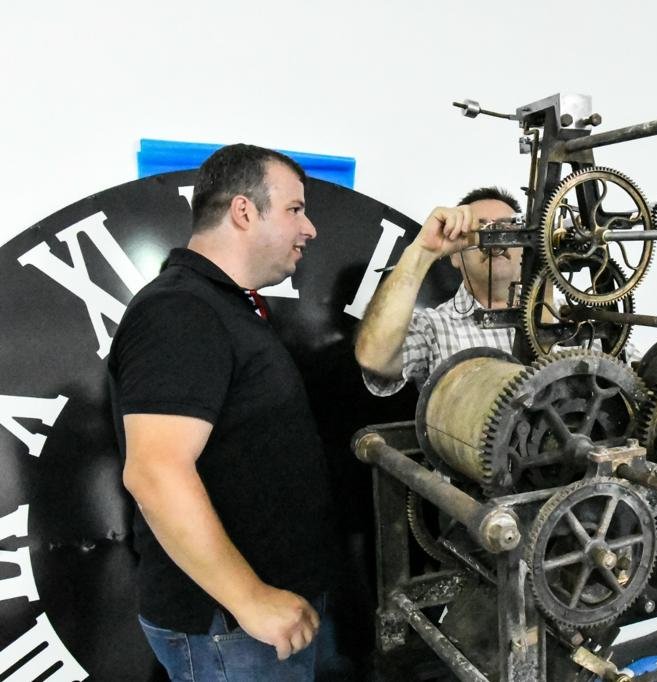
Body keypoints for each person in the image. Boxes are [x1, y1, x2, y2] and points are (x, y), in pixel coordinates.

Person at [109, 144, 345, 680]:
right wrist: (251, 599)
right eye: (294, 209)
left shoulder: (222, 305)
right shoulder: (180, 310)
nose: (309, 228)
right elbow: (155, 471)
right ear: (243, 211)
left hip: (257, 623)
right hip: (232, 631)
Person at [356, 187, 522, 396]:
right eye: (481, 231)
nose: (495, 240)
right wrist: (423, 251)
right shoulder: (433, 327)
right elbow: (375, 356)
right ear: (455, 256)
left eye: (506, 229)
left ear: (525, 248)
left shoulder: (559, 316)